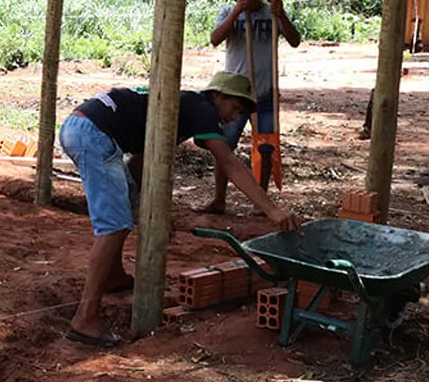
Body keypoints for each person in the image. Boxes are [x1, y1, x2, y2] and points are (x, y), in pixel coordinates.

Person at [60, 71, 303, 348]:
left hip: (85, 128)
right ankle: (84, 319)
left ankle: (114, 276)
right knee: (113, 225)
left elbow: (140, 158)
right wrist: (272, 210)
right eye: (234, 108)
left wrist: (146, 206)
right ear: (218, 96)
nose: (234, 118)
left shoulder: (179, 108)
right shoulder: (201, 108)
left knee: (123, 207)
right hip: (93, 134)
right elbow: (228, 161)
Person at [202, 0, 302, 214]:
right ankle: (219, 200)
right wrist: (237, 10)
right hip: (233, 95)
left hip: (264, 93)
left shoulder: (272, 13)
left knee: (266, 147)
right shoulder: (229, 12)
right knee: (223, 147)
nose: (252, 0)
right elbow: (215, 39)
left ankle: (261, 203)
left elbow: (295, 40)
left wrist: (282, 16)